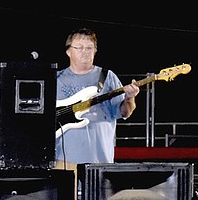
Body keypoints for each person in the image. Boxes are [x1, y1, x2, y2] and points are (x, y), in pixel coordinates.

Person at [55, 27, 140, 167]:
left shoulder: (107, 77)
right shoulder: (56, 79)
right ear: (68, 51)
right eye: (80, 48)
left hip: (100, 160)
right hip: (63, 160)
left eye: (89, 48)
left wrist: (130, 98)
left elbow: (125, 112)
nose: (85, 52)